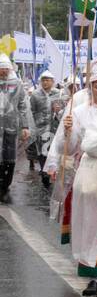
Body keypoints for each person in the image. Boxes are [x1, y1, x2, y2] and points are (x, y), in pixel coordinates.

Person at [45, 58, 97, 297]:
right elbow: (72, 146)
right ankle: (94, 276)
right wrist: (68, 132)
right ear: (90, 87)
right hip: (88, 172)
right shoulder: (78, 112)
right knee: (89, 222)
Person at [0, 55, 32, 203]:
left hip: (11, 126)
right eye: (1, 69)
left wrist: (25, 126)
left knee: (10, 157)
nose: (3, 72)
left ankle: (5, 184)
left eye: (6, 69)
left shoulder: (17, 84)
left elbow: (23, 106)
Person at [28, 70, 57, 179]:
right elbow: (31, 111)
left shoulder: (57, 93)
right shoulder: (35, 94)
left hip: (54, 126)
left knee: (52, 149)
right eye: (43, 80)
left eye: (48, 80)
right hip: (40, 127)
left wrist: (58, 110)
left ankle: (50, 169)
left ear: (52, 82)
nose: (45, 82)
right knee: (42, 149)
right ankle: (44, 170)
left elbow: (62, 110)